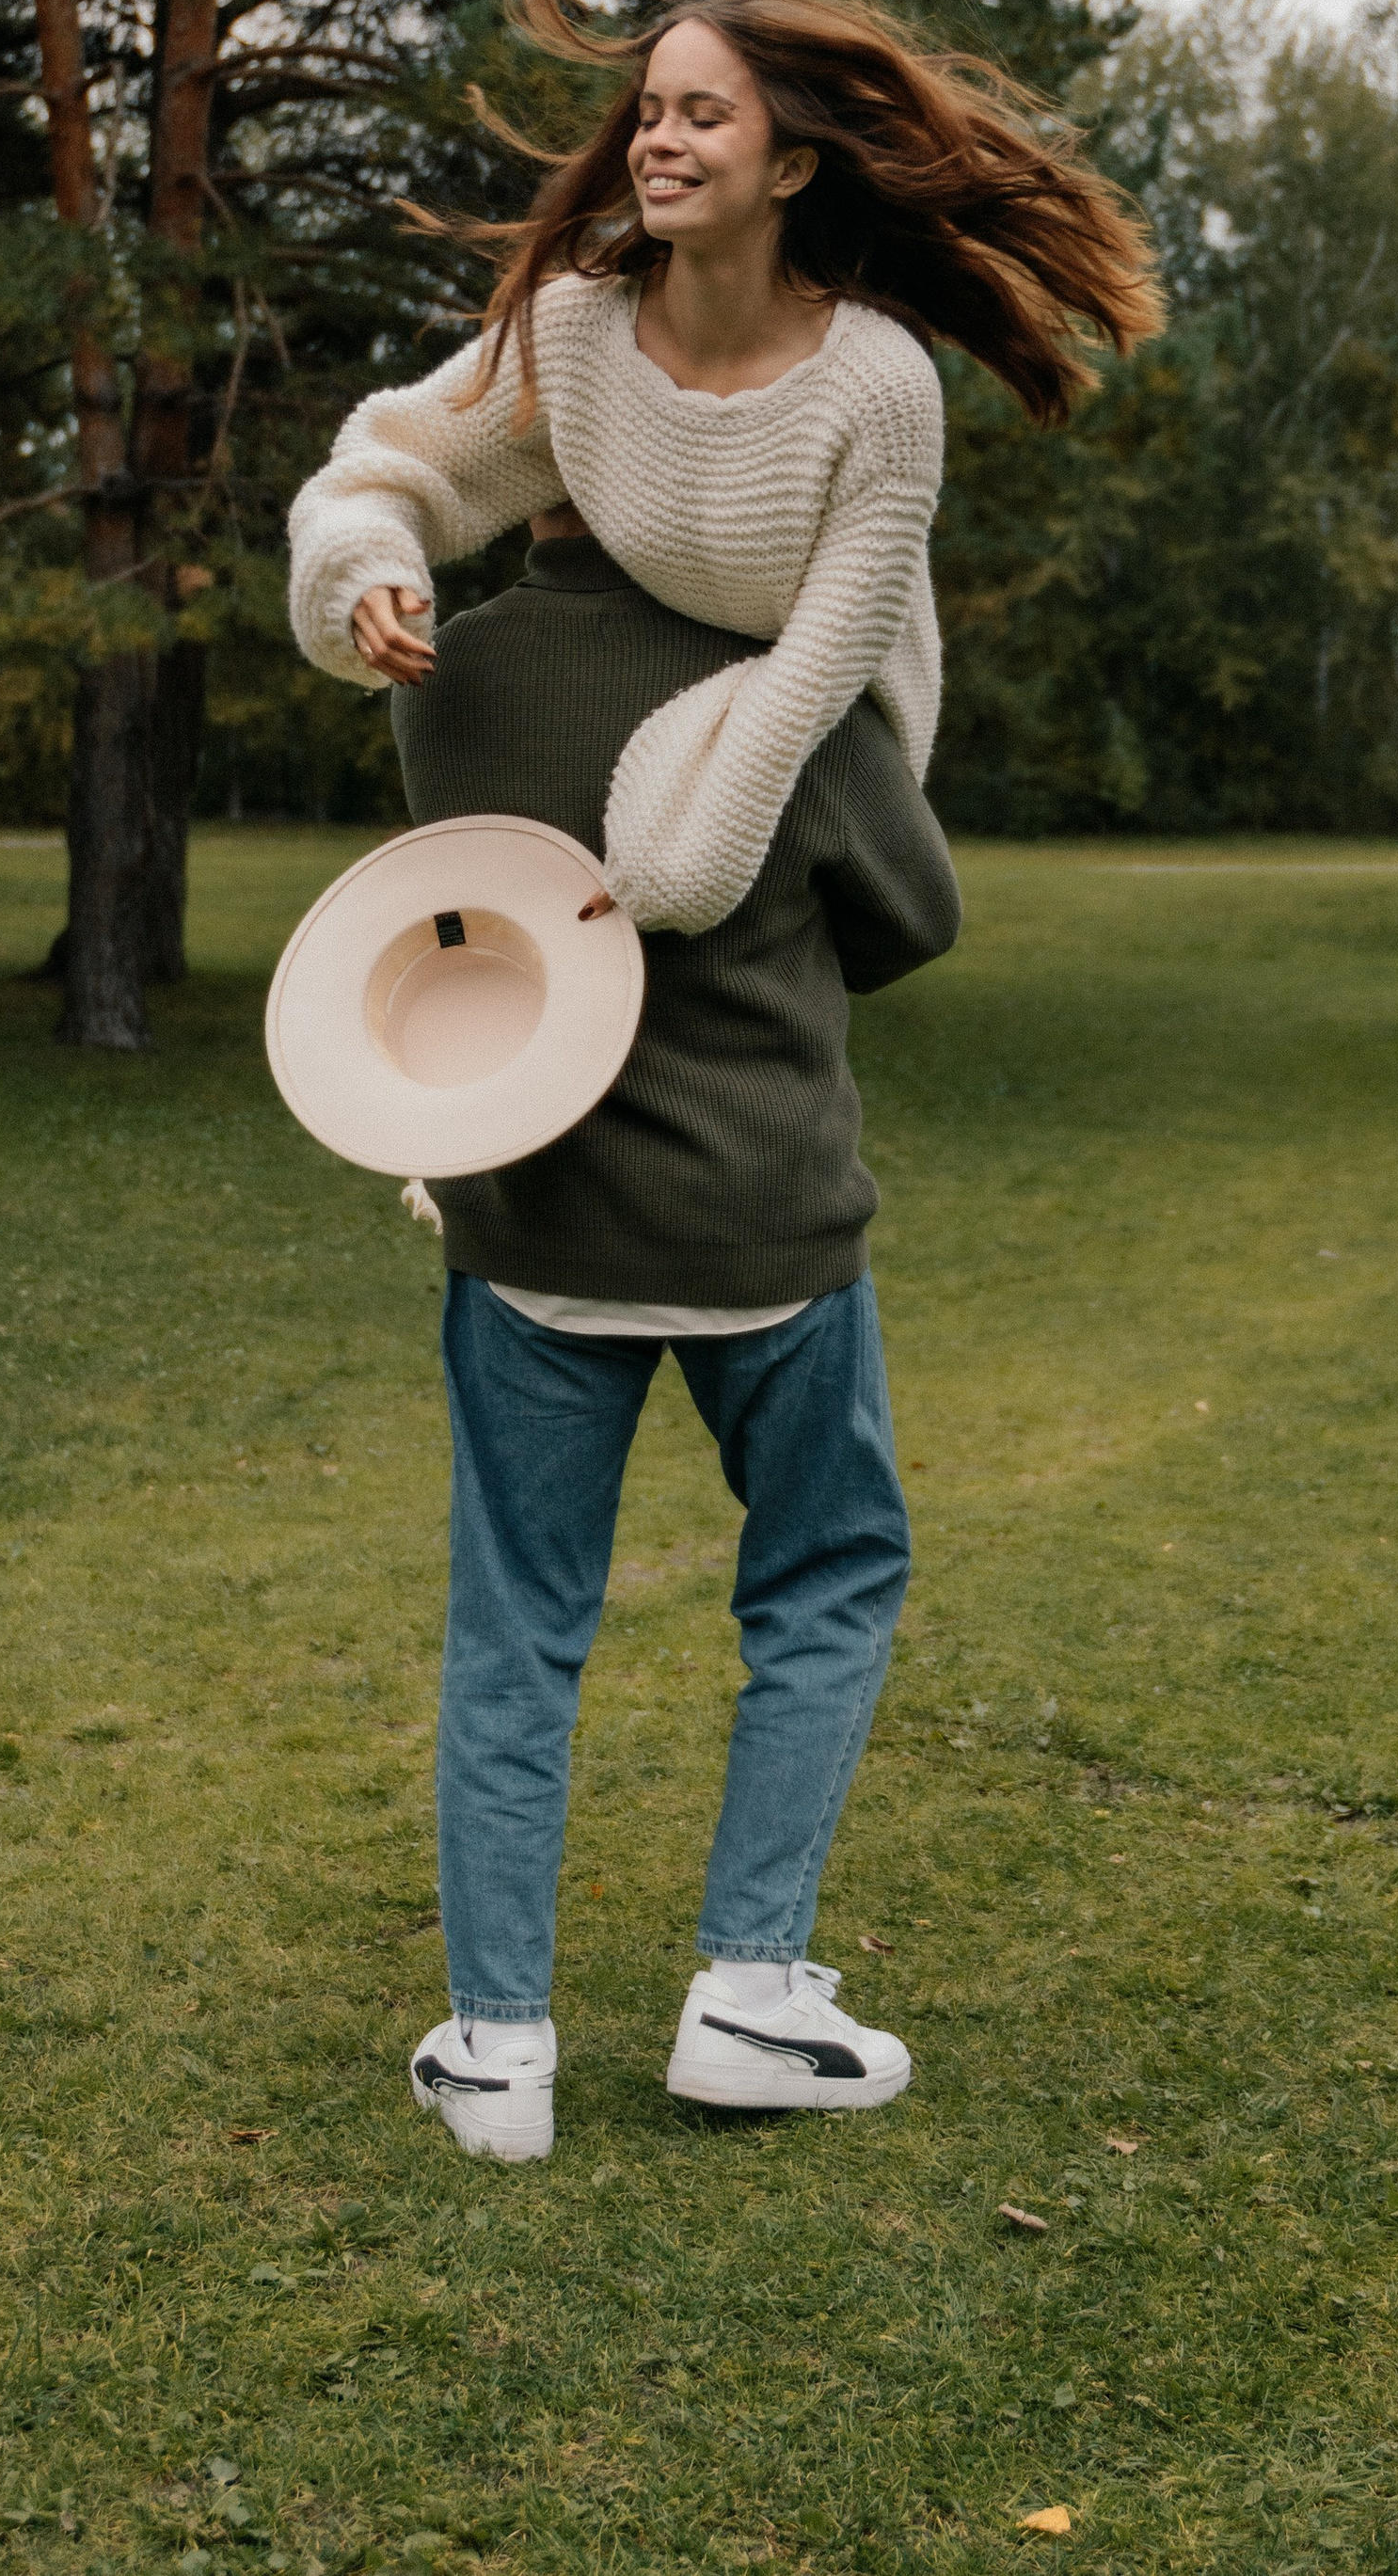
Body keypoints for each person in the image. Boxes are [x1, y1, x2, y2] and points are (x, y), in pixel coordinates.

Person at [384, 503, 963, 2163]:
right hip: (763, 1223)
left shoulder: (445, 675)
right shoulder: (792, 674)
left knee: (517, 1628)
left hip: (529, 1223)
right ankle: (751, 1990)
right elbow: (914, 919)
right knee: (830, 1572)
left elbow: (467, 908)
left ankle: (496, 2049)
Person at [285, 0, 1161, 940]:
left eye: (704, 117)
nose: (659, 139)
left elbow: (812, 677)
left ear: (790, 165)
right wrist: (365, 566)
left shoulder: (879, 387)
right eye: (651, 112)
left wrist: (676, 866)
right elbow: (382, 467)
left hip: (836, 722)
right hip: (657, 656)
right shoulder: (578, 329)